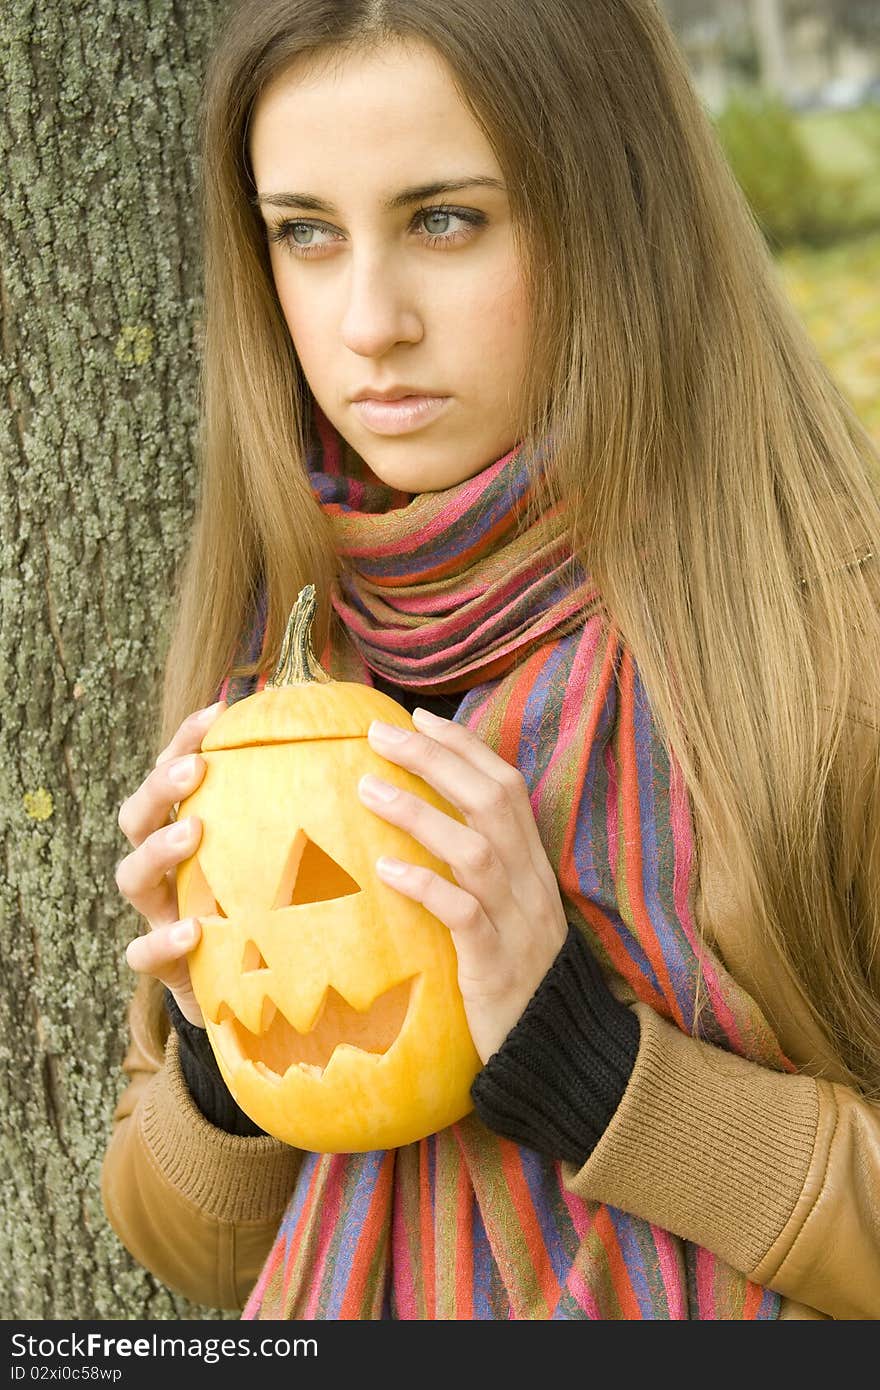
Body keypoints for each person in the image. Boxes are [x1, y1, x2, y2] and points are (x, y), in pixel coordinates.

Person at [100, 0, 880, 1321]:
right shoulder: (279, 651)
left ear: (609, 217)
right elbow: (193, 1250)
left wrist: (595, 1064)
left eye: (445, 219)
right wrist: (229, 1065)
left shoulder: (826, 631)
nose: (368, 323)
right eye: (305, 232)